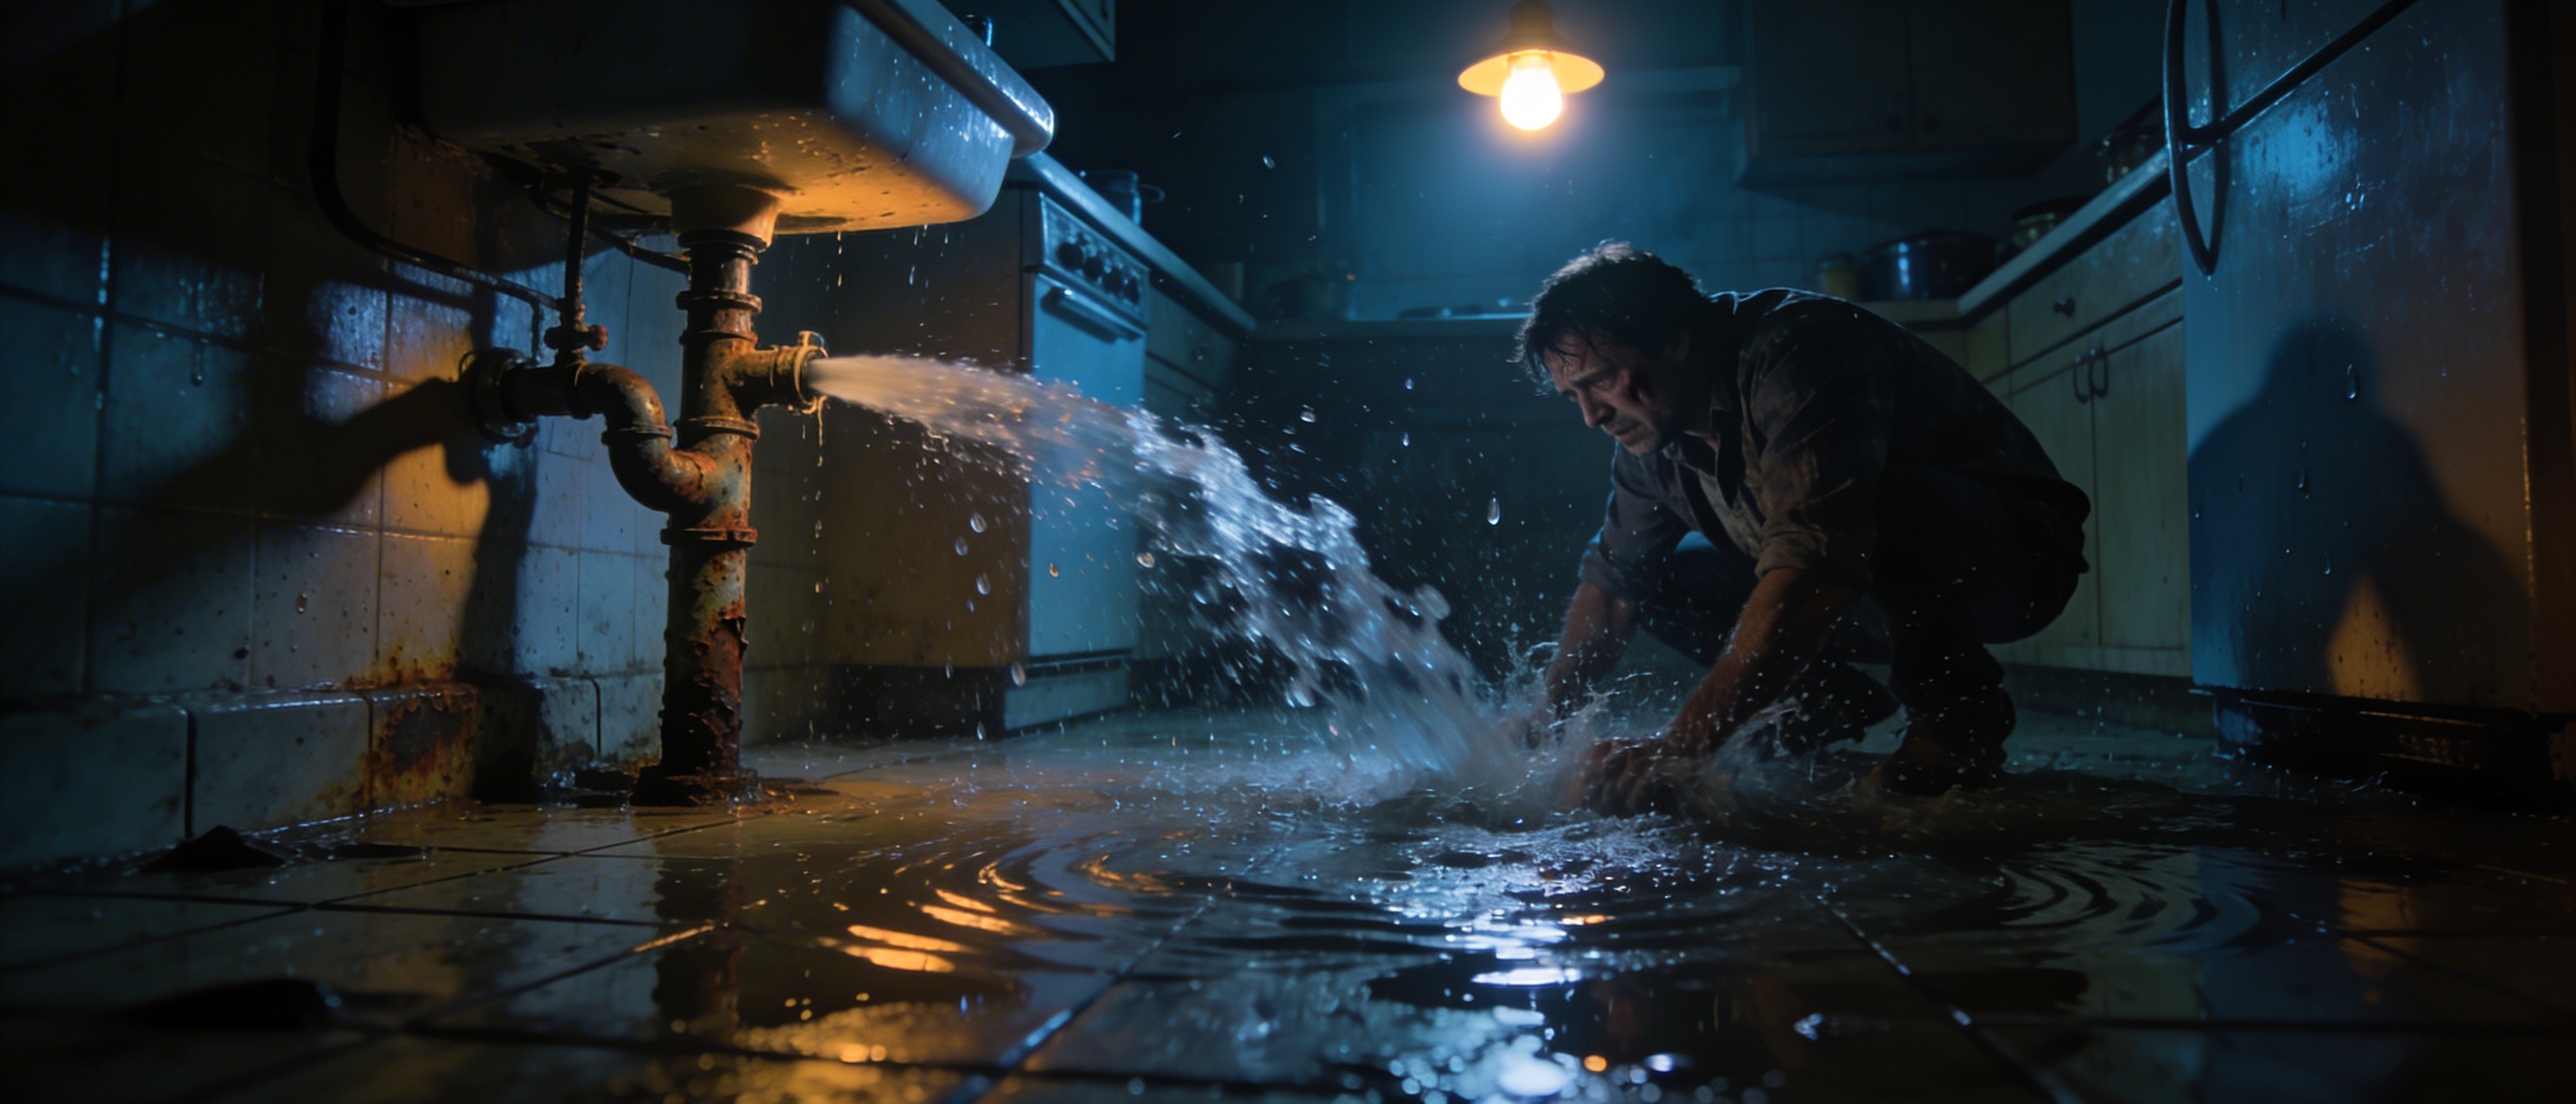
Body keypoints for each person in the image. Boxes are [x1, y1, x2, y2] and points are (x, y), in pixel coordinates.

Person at [1521, 243, 2090, 811]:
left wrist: (1684, 744)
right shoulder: (1650, 438)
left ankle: (1956, 728)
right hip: (1867, 584)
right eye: (1574, 395)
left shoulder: (1799, 351)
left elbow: (1816, 563)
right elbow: (1612, 592)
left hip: (2016, 557)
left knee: (1879, 502)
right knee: (1660, 576)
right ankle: (1824, 705)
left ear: (1676, 340)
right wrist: (1545, 720)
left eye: (1601, 382)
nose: (1592, 416)